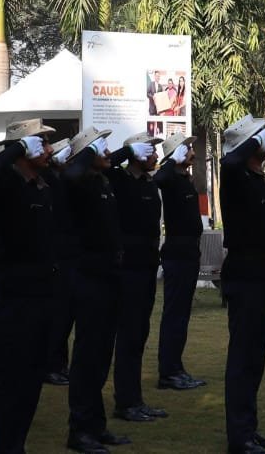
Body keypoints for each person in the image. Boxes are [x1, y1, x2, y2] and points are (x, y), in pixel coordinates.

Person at [0, 118, 58, 454]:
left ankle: (17, 444)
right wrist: (18, 148)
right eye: (42, 143)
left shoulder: (43, 183)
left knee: (33, 377)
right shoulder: (3, 184)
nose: (49, 150)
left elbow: (72, 172)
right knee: (13, 378)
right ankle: (6, 447)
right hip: (13, 295)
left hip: (42, 292)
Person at [60, 126, 130, 454]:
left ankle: (96, 425)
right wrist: (87, 149)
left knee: (102, 355)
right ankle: (79, 430)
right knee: (87, 357)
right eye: (99, 147)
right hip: (87, 280)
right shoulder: (77, 184)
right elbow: (70, 174)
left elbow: (111, 162)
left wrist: (97, 150)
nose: (107, 151)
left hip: (109, 277)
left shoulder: (102, 181)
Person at [219, 114, 265, 454]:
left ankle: (249, 429)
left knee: (255, 358)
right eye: (263, 136)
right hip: (245, 272)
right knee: (243, 357)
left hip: (263, 273)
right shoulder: (234, 174)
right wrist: (251, 140)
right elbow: (227, 159)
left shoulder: (255, 175)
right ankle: (239, 437)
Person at [108, 130, 166, 425]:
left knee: (139, 335)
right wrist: (127, 151)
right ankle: (125, 402)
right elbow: (105, 164)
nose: (155, 155)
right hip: (127, 270)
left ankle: (135, 399)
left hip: (146, 269)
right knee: (128, 336)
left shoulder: (149, 183)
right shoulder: (118, 180)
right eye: (150, 150)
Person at [155, 131, 205, 390]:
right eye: (187, 148)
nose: (192, 153)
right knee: (174, 314)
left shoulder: (183, 178)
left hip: (189, 254)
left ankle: (176, 366)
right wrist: (171, 161)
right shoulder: (170, 176)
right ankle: (168, 372)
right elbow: (159, 178)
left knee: (182, 315)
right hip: (177, 252)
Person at [44, 135, 78, 386]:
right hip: (56, 255)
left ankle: (60, 364)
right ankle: (52, 365)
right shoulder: (49, 179)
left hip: (68, 255)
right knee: (57, 316)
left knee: (66, 315)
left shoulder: (65, 180)